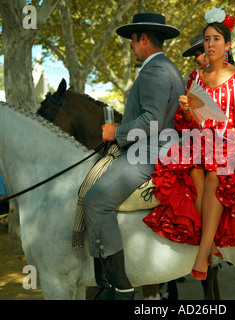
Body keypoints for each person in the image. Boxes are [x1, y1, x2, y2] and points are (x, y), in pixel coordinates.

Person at [143, 8, 235, 280]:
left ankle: (203, 254)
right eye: (206, 39)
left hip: (229, 143)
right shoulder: (194, 77)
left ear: (227, 45)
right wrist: (187, 109)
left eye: (216, 39)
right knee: (192, 172)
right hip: (199, 142)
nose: (210, 44)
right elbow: (188, 122)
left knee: (215, 173)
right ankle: (209, 241)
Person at [82, 13, 185, 299]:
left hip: (150, 152)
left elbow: (152, 121)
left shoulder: (155, 70)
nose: (130, 47)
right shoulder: (168, 67)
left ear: (143, 39)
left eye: (132, 41)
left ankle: (119, 286)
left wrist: (116, 132)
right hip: (157, 147)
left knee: (95, 201)